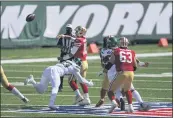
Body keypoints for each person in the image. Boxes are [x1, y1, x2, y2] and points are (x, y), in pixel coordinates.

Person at [24, 58, 94, 110]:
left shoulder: (69, 62)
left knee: (41, 90)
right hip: (55, 71)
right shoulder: (75, 67)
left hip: (48, 69)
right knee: (56, 87)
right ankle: (51, 103)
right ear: (78, 64)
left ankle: (32, 80)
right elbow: (81, 80)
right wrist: (89, 83)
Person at [103, 37, 137, 113]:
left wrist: (105, 70)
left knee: (110, 91)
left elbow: (110, 63)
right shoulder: (132, 52)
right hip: (131, 73)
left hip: (121, 73)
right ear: (127, 43)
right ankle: (131, 107)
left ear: (119, 43)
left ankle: (114, 103)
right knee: (127, 90)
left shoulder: (116, 51)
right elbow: (135, 65)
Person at [95, 35, 125, 111]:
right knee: (120, 88)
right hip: (117, 70)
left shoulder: (102, 50)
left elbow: (102, 59)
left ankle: (102, 99)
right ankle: (118, 100)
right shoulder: (116, 50)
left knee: (104, 88)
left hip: (107, 70)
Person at [57, 24, 75, 92]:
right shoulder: (62, 37)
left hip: (71, 55)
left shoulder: (73, 37)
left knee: (73, 71)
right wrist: (63, 47)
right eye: (67, 28)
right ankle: (60, 86)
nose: (68, 30)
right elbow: (58, 45)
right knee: (61, 70)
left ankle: (74, 86)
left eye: (69, 28)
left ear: (71, 29)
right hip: (63, 54)